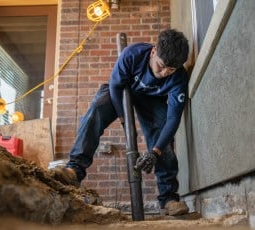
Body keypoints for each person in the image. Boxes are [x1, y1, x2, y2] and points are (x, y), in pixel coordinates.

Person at [53, 29, 190, 216]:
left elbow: (174, 118)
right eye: (161, 65)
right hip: (120, 90)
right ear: (153, 51)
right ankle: (74, 170)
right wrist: (125, 122)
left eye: (171, 70)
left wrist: (155, 153)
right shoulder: (133, 54)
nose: (164, 73)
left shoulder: (179, 77)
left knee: (162, 129)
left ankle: (168, 198)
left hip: (151, 100)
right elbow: (116, 87)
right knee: (96, 111)